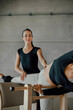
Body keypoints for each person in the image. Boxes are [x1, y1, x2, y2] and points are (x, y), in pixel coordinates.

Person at [0, 28, 47, 110]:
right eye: (25, 35)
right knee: (14, 80)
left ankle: (4, 77)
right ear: (23, 38)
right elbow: (16, 67)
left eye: (29, 35)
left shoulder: (37, 50)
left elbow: (42, 59)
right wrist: (22, 72)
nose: (28, 37)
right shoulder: (19, 51)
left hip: (36, 77)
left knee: (38, 98)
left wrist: (45, 64)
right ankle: (3, 77)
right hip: (25, 77)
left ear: (32, 37)